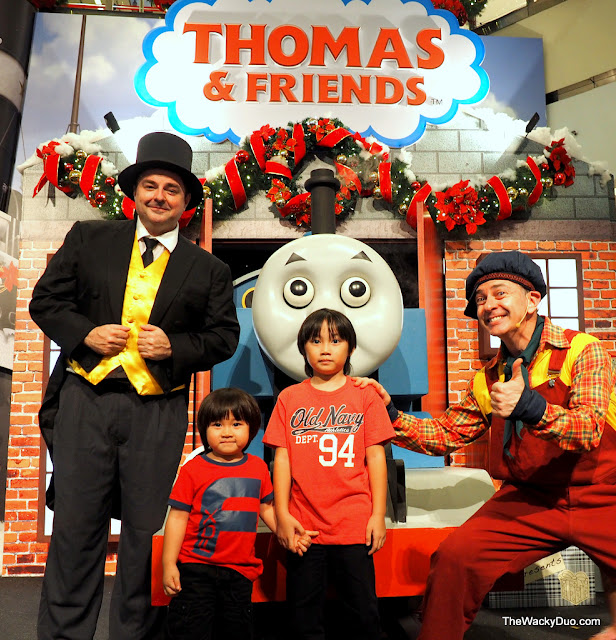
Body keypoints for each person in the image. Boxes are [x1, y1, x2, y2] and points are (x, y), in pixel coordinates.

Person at [29, 131, 240, 640]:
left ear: (186, 203)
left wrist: (175, 347)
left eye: (172, 189)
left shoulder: (209, 269)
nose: (159, 197)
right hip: (86, 402)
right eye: (151, 185)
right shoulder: (89, 238)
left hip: (156, 413)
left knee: (147, 536)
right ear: (135, 192)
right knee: (76, 531)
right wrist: (85, 333)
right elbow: (46, 302)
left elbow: (223, 337)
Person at [355, 250, 616, 640]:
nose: (488, 305)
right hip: (530, 498)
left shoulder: (582, 350)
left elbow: (589, 429)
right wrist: (390, 413)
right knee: (455, 559)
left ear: (532, 300)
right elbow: (445, 434)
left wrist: (530, 406)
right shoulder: (488, 377)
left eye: (499, 293)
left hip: (604, 492)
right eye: (480, 299)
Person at [263, 308, 395, 640]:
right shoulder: (289, 398)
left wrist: (378, 515)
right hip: (304, 527)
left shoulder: (365, 395)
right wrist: (282, 514)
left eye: (335, 341)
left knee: (363, 615)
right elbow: (281, 459)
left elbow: (376, 457)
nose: (325, 349)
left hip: (354, 524)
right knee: (303, 619)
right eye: (315, 340)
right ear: (303, 348)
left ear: (350, 348)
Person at [162, 387, 316, 640]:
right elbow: (177, 518)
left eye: (236, 424)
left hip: (240, 572)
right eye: (217, 424)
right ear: (204, 429)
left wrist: (287, 533)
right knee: (191, 630)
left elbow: (266, 508)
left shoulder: (258, 467)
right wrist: (169, 564)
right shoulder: (192, 469)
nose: (226, 432)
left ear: (251, 428)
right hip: (196, 569)